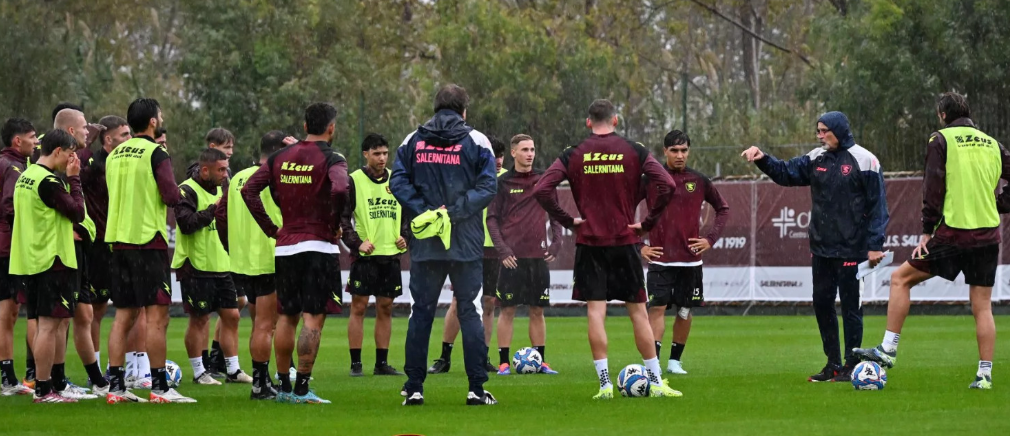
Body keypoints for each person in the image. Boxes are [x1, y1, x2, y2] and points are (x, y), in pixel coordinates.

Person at [855, 92, 1010, 390]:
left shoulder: (940, 140)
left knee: (900, 279)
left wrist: (927, 230)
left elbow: (934, 185)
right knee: (983, 307)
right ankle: (985, 376)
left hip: (954, 233)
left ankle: (888, 349)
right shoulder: (993, 144)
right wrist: (1001, 204)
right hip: (988, 236)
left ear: (942, 115)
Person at [533, 99, 680, 399]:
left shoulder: (573, 153)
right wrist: (647, 224)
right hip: (625, 241)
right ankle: (656, 382)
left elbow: (541, 189)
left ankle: (604, 385)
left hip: (590, 243)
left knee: (596, 313)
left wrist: (569, 221)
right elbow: (667, 184)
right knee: (639, 313)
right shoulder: (634, 150)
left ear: (588, 122)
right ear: (615, 121)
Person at [741, 111, 888, 382]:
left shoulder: (866, 160)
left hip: (852, 250)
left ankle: (852, 365)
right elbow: (786, 173)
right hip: (821, 248)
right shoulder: (815, 157)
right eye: (818, 131)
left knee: (851, 307)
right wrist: (762, 159)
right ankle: (832, 364)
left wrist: (875, 245)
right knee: (821, 303)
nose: (820, 136)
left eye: (824, 130)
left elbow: (878, 206)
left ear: (839, 130)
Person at [391, 84, 498, 406]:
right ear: (464, 110)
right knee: (470, 311)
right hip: (464, 242)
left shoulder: (413, 140)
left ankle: (414, 387)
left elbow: (397, 181)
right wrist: (453, 213)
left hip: (426, 243)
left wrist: (425, 212)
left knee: (420, 312)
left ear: (436, 107)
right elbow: (488, 186)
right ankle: (476, 389)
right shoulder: (477, 141)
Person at [242, 102, 349, 404]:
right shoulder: (333, 158)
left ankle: (284, 387)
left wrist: (271, 229)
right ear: (331, 128)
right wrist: (334, 222)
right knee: (313, 318)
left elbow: (248, 190)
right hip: (318, 244)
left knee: (286, 316)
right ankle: (302, 388)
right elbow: (340, 189)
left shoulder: (279, 157)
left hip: (286, 246)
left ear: (304, 127)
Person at [105, 97, 194, 403]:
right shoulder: (157, 152)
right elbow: (171, 195)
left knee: (123, 316)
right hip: (147, 241)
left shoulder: (114, 155)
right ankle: (160, 387)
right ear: (153, 122)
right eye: (160, 115)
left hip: (118, 241)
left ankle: (115, 387)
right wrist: (184, 191)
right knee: (157, 317)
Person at [639, 130, 729, 375]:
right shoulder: (650, 180)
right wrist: (640, 246)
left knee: (684, 310)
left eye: (684, 150)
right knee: (657, 308)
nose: (680, 155)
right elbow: (624, 211)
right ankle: (653, 363)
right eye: (675, 151)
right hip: (661, 260)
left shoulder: (699, 180)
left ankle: (674, 361)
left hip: (690, 262)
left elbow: (722, 208)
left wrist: (710, 239)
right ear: (664, 151)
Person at [10, 129, 85, 402]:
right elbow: (77, 211)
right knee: (49, 326)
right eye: (69, 154)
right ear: (57, 151)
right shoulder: (48, 181)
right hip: (52, 258)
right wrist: (74, 180)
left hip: (31, 258)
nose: (70, 160)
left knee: (44, 325)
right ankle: (43, 388)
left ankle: (46, 386)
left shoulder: (25, 177)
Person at [216, 130, 287, 399]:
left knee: (259, 322)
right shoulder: (274, 177)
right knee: (266, 326)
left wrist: (231, 248)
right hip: (268, 257)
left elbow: (221, 216)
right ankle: (261, 384)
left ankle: (263, 378)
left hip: (243, 260)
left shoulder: (237, 179)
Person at [173, 147, 252, 386]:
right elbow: (186, 224)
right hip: (195, 265)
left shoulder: (223, 190)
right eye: (220, 169)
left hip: (221, 264)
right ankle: (199, 372)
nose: (225, 174)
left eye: (226, 169)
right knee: (200, 319)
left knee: (232, 315)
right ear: (205, 169)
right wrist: (212, 211)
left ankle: (233, 370)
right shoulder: (186, 190)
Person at [428, 137, 505, 375]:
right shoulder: (468, 174)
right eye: (495, 155)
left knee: (490, 302)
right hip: (468, 245)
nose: (499, 161)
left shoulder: (508, 180)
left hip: (494, 248)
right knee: (460, 300)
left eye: (501, 156)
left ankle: (482, 356)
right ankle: (444, 356)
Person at [486, 134, 562, 375]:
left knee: (537, 310)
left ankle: (541, 361)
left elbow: (556, 213)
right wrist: (502, 249)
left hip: (537, 258)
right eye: (525, 149)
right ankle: (504, 362)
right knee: (507, 310)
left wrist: (557, 243)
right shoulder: (503, 183)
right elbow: (491, 219)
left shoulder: (543, 179)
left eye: (532, 149)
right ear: (513, 153)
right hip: (511, 260)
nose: (530, 154)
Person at [340, 133, 408, 377]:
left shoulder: (398, 180)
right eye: (377, 153)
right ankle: (356, 364)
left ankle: (382, 363)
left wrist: (405, 235)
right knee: (358, 307)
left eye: (385, 153)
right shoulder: (353, 181)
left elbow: (409, 214)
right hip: (365, 257)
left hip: (390, 255)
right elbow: (343, 219)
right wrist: (357, 243)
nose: (382, 158)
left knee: (386, 307)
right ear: (365, 154)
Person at [53, 109, 110, 398]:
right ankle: (54, 381)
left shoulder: (77, 161)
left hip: (81, 247)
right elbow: (69, 205)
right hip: (64, 249)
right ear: (71, 132)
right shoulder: (58, 165)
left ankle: (97, 381)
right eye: (84, 127)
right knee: (59, 318)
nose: (88, 131)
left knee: (84, 314)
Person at [78, 115, 131, 378]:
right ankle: (95, 372)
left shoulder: (130, 163)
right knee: (97, 309)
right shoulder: (94, 163)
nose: (129, 139)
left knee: (133, 308)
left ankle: (135, 368)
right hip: (99, 245)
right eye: (124, 135)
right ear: (108, 139)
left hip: (125, 242)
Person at [0, 118, 36, 396]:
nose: (35, 142)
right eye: (32, 137)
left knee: (8, 313)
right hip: (7, 249)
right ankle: (8, 378)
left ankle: (8, 376)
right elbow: (11, 207)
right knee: (8, 314)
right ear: (17, 141)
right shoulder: (14, 168)